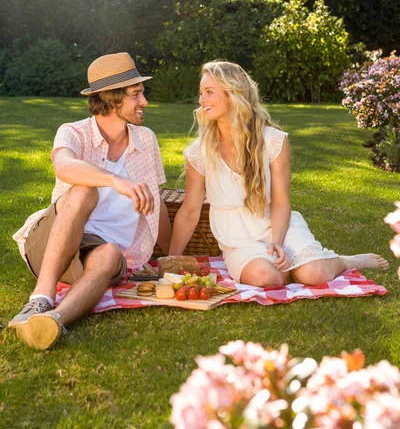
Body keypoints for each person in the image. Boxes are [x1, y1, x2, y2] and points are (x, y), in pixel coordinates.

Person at [169, 60, 389, 287]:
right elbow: (190, 210)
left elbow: (282, 200)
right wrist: (171, 259)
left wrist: (277, 242)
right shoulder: (199, 152)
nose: (201, 100)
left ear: (233, 94)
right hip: (237, 238)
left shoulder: (273, 141)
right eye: (201, 93)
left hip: (278, 226)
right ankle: (295, 271)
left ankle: (342, 261)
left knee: (315, 274)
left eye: (209, 92)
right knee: (266, 278)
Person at [9, 52, 171, 349]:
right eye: (136, 94)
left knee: (109, 253)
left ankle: (53, 321)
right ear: (111, 98)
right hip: (53, 243)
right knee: (85, 189)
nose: (144, 101)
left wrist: (170, 257)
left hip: (98, 257)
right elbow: (64, 166)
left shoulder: (145, 139)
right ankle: (40, 299)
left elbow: (155, 203)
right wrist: (115, 180)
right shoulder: (74, 132)